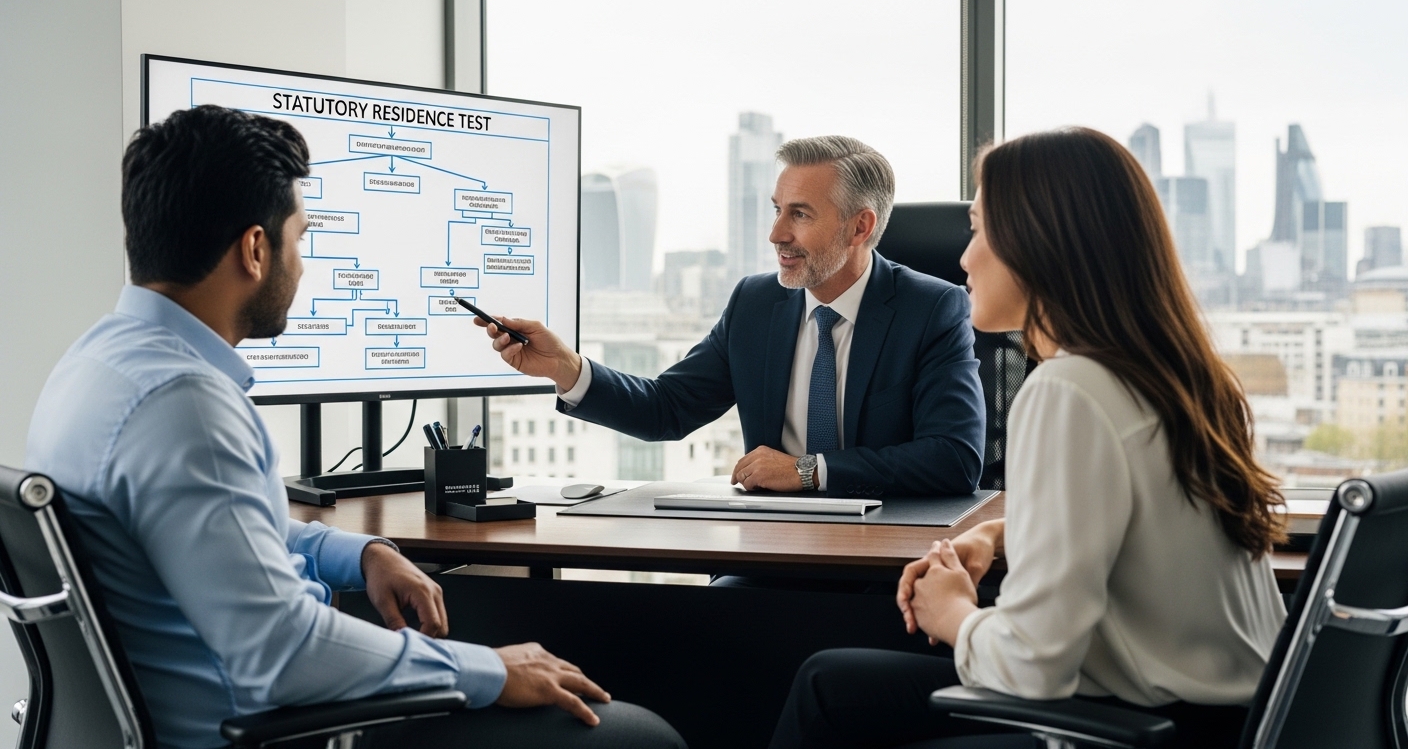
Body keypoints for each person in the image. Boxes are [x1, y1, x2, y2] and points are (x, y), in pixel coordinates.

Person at [25, 105, 684, 749]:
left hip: (178, 717)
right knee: (641, 737)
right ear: (256, 248)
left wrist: (357, 552)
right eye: (300, 238)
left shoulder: (94, 366)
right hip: (268, 727)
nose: (302, 264)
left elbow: (216, 535)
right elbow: (283, 652)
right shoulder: (187, 405)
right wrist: (491, 671)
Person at [768, 127, 1289, 749]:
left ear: (1041, 244)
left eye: (980, 229)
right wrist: (1003, 531)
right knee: (833, 683)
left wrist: (953, 614)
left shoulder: (1069, 389)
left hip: (1136, 728)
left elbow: (1031, 665)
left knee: (830, 692)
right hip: (1238, 719)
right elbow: (1142, 523)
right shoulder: (1177, 377)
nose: (964, 258)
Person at [476, 136, 985, 500]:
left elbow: (953, 458)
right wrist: (566, 367)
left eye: (800, 214)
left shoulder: (932, 308)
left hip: (885, 558)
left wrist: (808, 472)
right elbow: (667, 408)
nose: (776, 234)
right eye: (776, 209)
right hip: (771, 548)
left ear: (860, 226)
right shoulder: (755, 304)